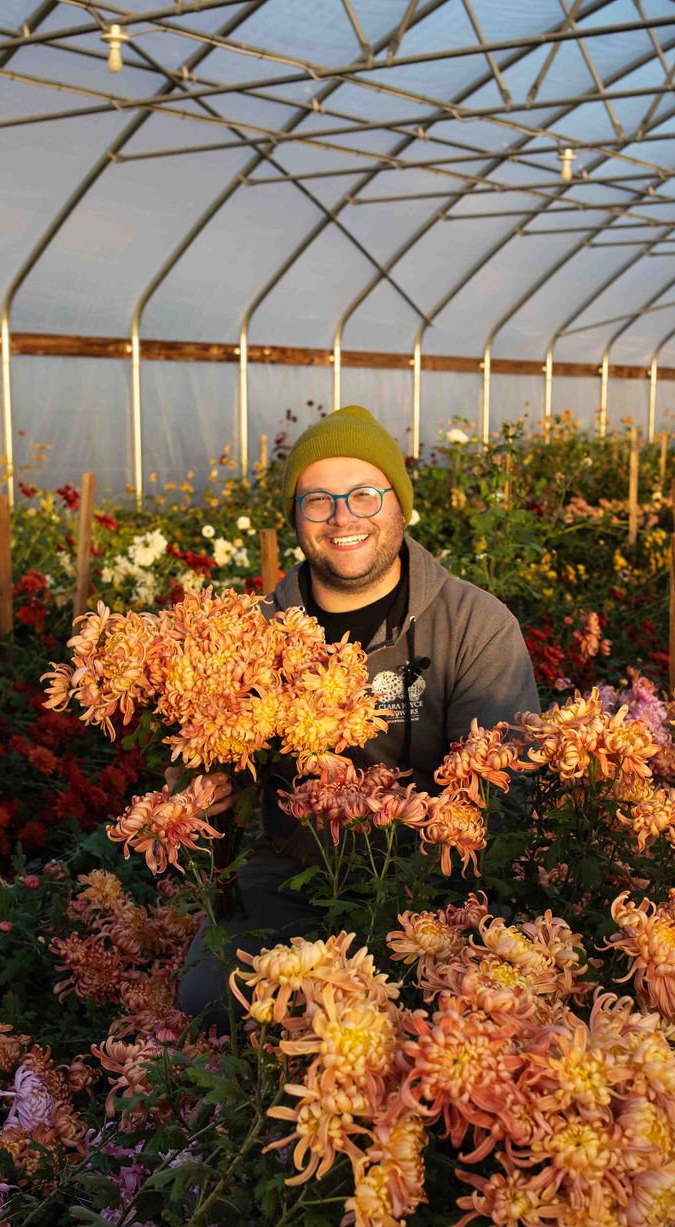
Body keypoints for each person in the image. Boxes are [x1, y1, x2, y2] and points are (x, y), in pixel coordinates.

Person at [176, 404, 540, 1016]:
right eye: (317, 500)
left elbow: (503, 796)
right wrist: (197, 788)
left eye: (365, 495)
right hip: (292, 885)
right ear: (296, 518)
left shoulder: (473, 624)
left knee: (456, 1016)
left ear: (399, 505)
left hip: (434, 888)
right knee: (211, 1003)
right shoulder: (258, 634)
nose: (342, 517)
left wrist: (410, 878)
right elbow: (211, 773)